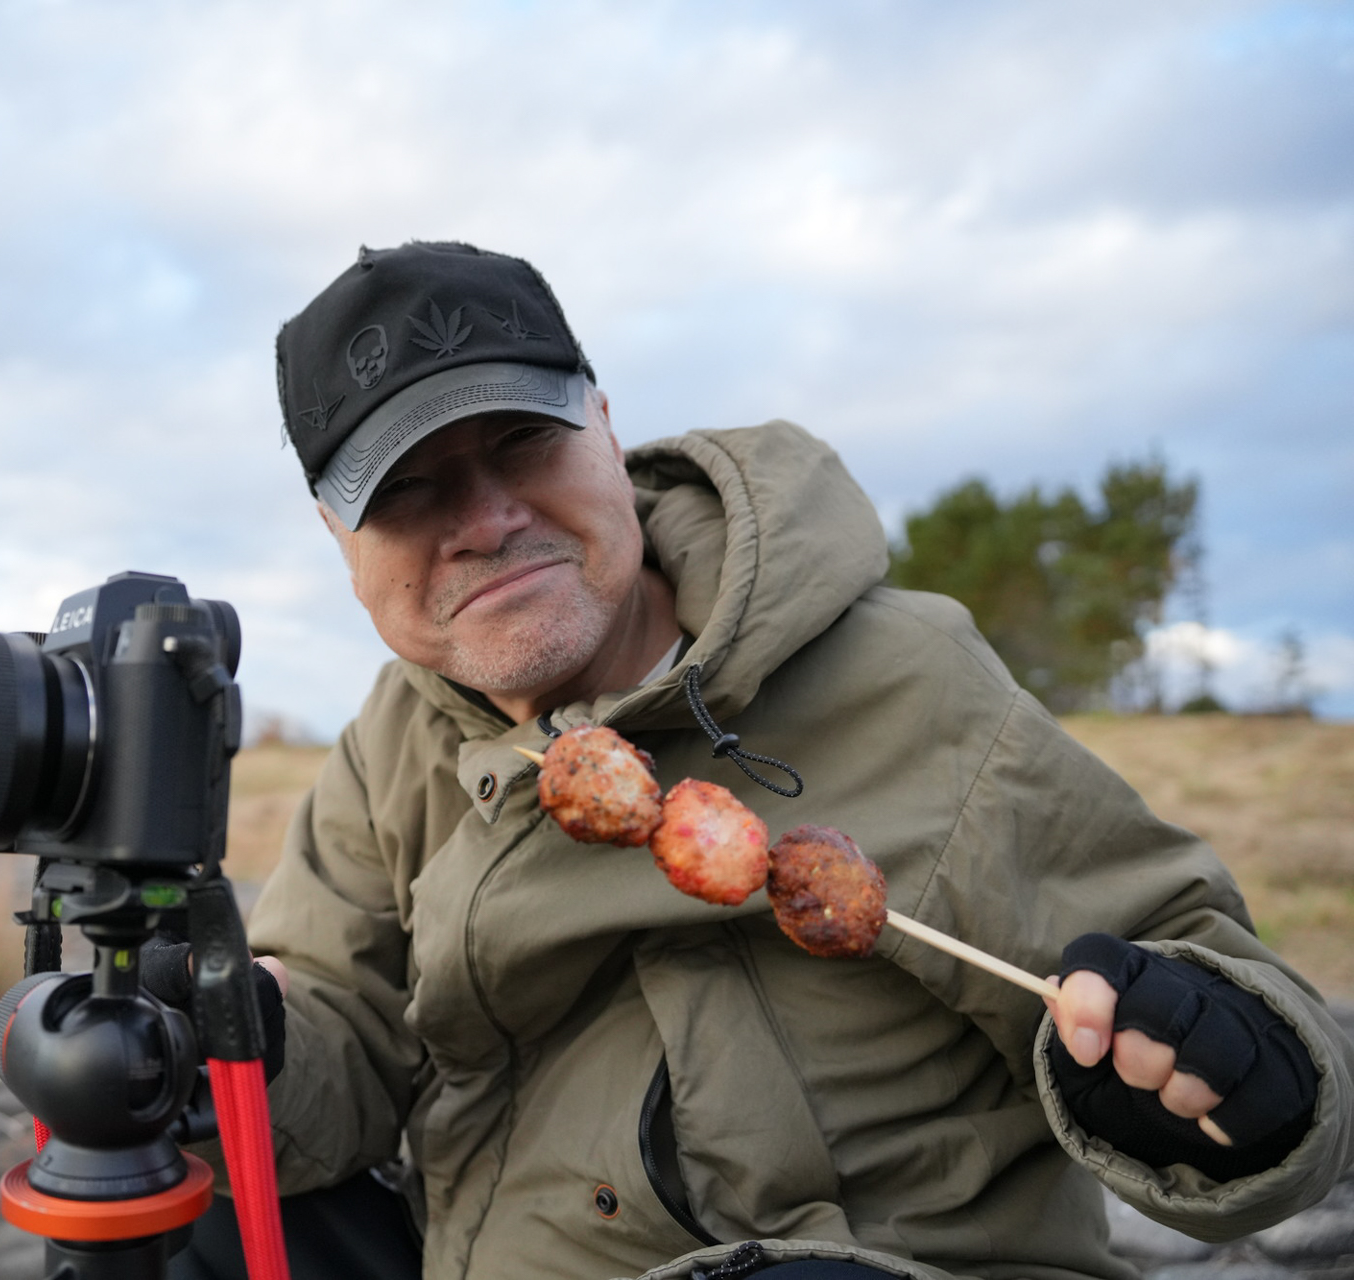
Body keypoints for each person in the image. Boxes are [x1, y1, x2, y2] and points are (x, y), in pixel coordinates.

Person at [158, 242, 1354, 1280]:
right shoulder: (391, 742)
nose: (482, 516)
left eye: (520, 437)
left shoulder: (906, 676)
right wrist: (222, 1039)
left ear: (605, 425)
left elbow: (1212, 981)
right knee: (174, 1211)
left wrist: (1226, 1063)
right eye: (408, 489)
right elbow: (340, 1046)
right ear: (338, 537)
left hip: (855, 1263)